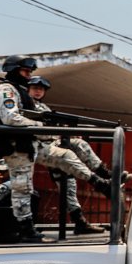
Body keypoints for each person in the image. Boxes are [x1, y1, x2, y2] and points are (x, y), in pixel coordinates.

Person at [24, 75, 109, 235]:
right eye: (35, 88)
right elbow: (38, 131)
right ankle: (100, 183)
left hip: (53, 145)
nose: (38, 92)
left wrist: (65, 134)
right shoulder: (26, 106)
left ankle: (104, 175)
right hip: (40, 149)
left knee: (71, 178)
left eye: (41, 89)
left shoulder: (44, 107)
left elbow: (53, 129)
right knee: (64, 179)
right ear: (28, 89)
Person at [0, 54, 48, 243]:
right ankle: (25, 229)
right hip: (14, 146)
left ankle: (26, 228)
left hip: (23, 146)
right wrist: (38, 126)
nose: (28, 75)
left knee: (26, 187)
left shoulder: (19, 90)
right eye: (25, 71)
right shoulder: (6, 89)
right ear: (14, 70)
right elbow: (10, 118)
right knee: (21, 188)